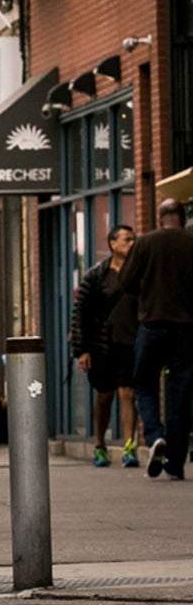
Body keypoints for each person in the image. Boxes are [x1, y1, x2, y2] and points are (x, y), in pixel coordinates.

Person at [121, 197, 193, 480]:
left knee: (145, 384)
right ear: (183, 218)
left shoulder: (146, 243)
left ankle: (154, 436)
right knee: (181, 395)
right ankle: (175, 463)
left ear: (160, 217)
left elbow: (125, 281)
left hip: (152, 325)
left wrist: (147, 290)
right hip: (187, 329)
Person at [71, 223, 142, 468]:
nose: (132, 244)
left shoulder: (139, 272)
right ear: (113, 244)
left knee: (127, 393)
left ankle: (129, 448)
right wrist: (81, 350)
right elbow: (80, 313)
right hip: (102, 344)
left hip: (130, 342)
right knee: (105, 395)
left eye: (133, 240)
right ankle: (100, 444)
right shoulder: (95, 275)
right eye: (127, 240)